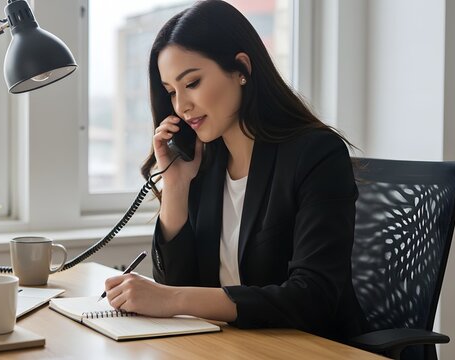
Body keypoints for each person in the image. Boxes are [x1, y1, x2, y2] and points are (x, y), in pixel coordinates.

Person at [103, 0, 366, 342]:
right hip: (234, 345)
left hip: (310, 348)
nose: (181, 107)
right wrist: (176, 186)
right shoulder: (206, 161)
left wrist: (173, 299)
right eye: (171, 92)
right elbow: (176, 284)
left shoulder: (316, 155)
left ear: (241, 68)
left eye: (192, 83)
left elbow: (313, 297)